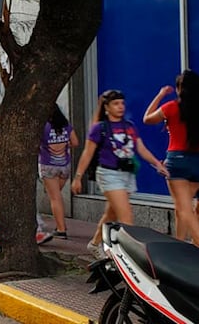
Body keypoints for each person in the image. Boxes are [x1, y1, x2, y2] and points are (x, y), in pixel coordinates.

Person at [71, 89, 169, 259]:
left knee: (112, 213)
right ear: (107, 107)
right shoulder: (99, 128)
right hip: (109, 174)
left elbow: (141, 148)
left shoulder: (129, 126)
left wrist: (157, 163)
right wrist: (78, 177)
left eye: (122, 103)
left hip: (127, 174)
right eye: (116, 104)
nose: (120, 106)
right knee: (126, 216)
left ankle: (94, 244)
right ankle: (132, 258)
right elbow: (87, 153)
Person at [143, 70, 199, 244]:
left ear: (178, 89)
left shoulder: (171, 108)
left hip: (177, 160)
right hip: (197, 161)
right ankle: (187, 244)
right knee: (188, 208)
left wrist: (160, 95)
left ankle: (185, 245)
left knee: (182, 208)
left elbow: (147, 119)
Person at [39, 104, 79, 239]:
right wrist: (65, 144)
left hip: (48, 165)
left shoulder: (42, 126)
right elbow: (75, 142)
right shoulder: (66, 125)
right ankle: (60, 225)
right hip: (64, 166)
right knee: (57, 196)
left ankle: (61, 229)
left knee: (55, 198)